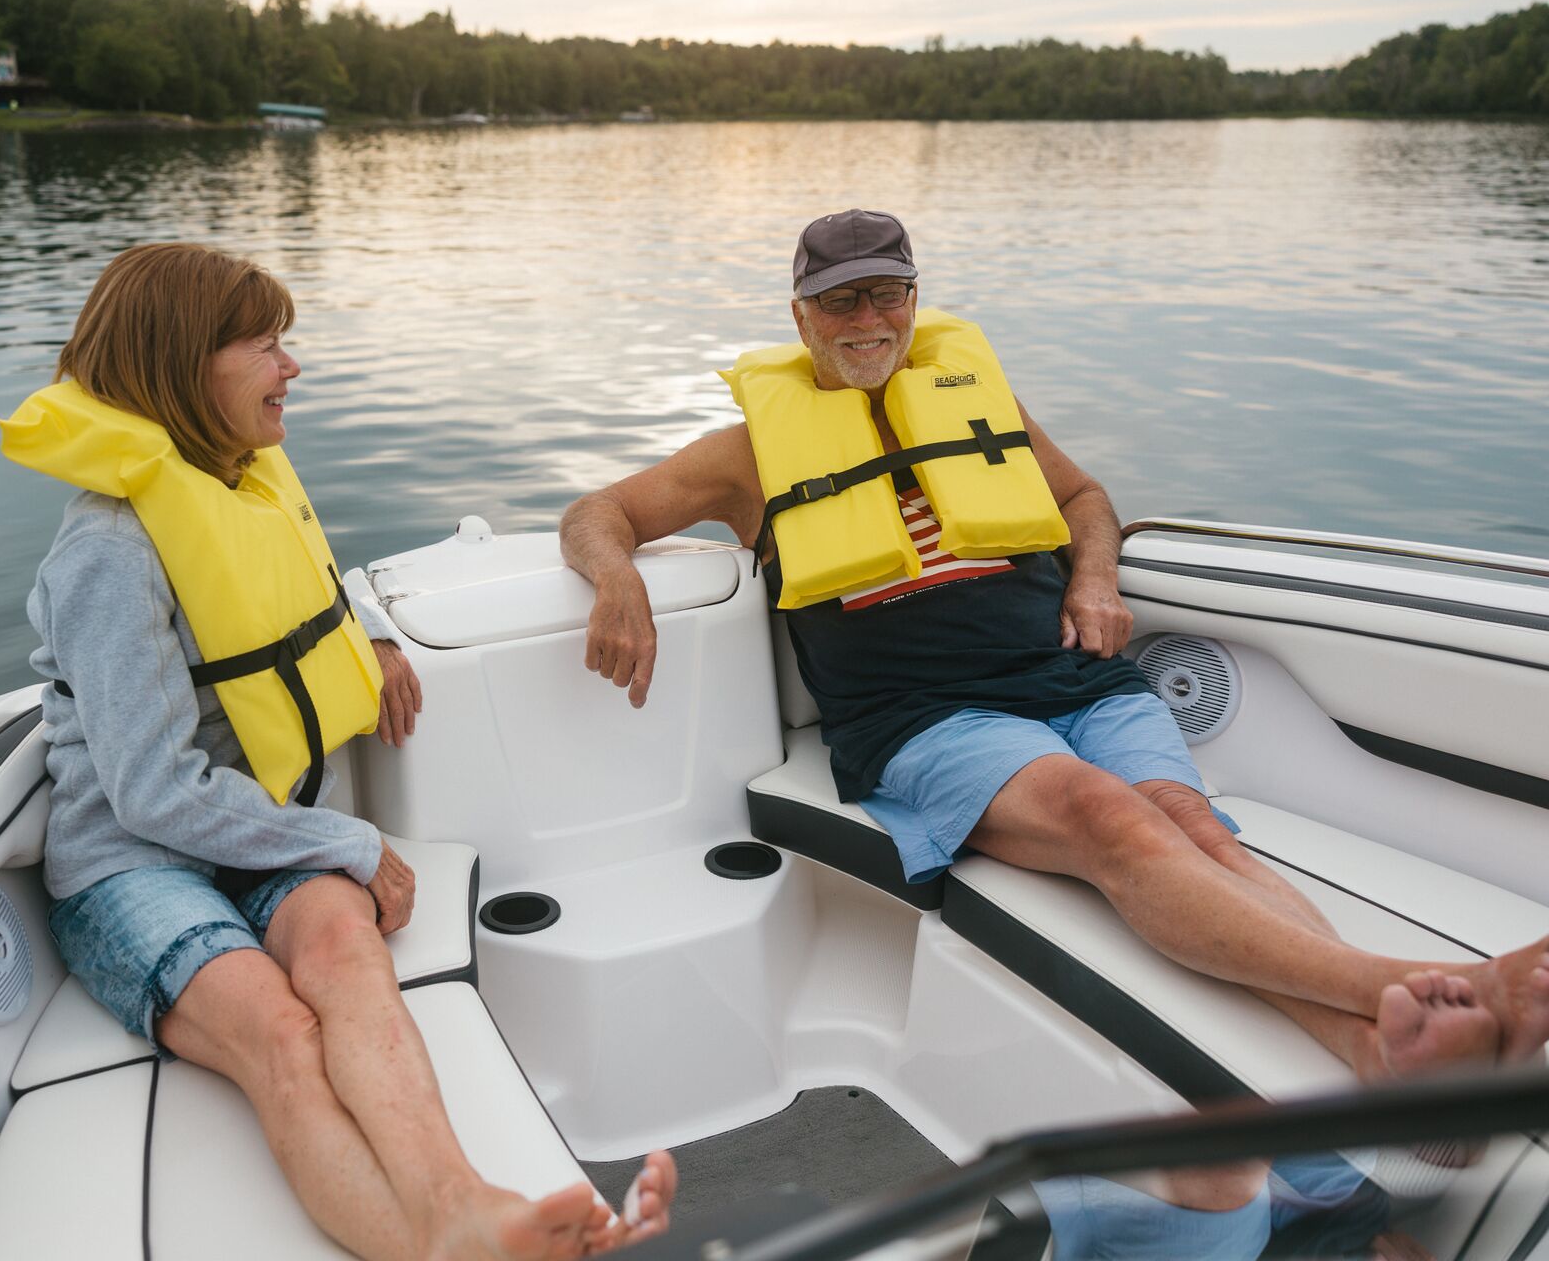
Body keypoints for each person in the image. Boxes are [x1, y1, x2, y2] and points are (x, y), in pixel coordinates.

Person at [560, 209, 1549, 1085]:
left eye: (888, 296)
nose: (870, 321)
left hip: (1067, 673)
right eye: (841, 302)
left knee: (1189, 825)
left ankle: (1371, 1049)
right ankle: (1426, 986)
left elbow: (1084, 497)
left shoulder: (972, 394)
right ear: (801, 316)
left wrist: (1094, 578)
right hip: (922, 715)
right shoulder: (746, 451)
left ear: (915, 297)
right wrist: (618, 578)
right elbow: (601, 509)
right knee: (1106, 815)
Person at [1, 243, 676, 1261]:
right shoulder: (107, 553)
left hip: (253, 829)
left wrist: (373, 632)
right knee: (282, 1032)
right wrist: (348, 840)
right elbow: (149, 791)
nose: (292, 366)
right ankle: (440, 1244)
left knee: (349, 957)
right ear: (186, 365)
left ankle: (461, 1204)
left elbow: (300, 576)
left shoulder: (240, 481)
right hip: (130, 862)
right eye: (266, 345)